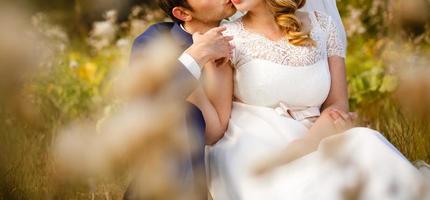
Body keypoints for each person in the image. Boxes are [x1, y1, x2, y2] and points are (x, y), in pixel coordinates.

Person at [205, 0, 427, 199]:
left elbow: (338, 103)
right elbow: (218, 124)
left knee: (367, 143)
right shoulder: (227, 37)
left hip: (318, 133)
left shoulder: (322, 26)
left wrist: (308, 143)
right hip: (257, 144)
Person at [124, 0, 236, 199]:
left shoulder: (244, 28)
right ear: (183, 13)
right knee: (182, 114)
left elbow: (217, 130)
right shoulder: (155, 39)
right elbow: (149, 101)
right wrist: (199, 54)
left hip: (238, 134)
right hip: (181, 151)